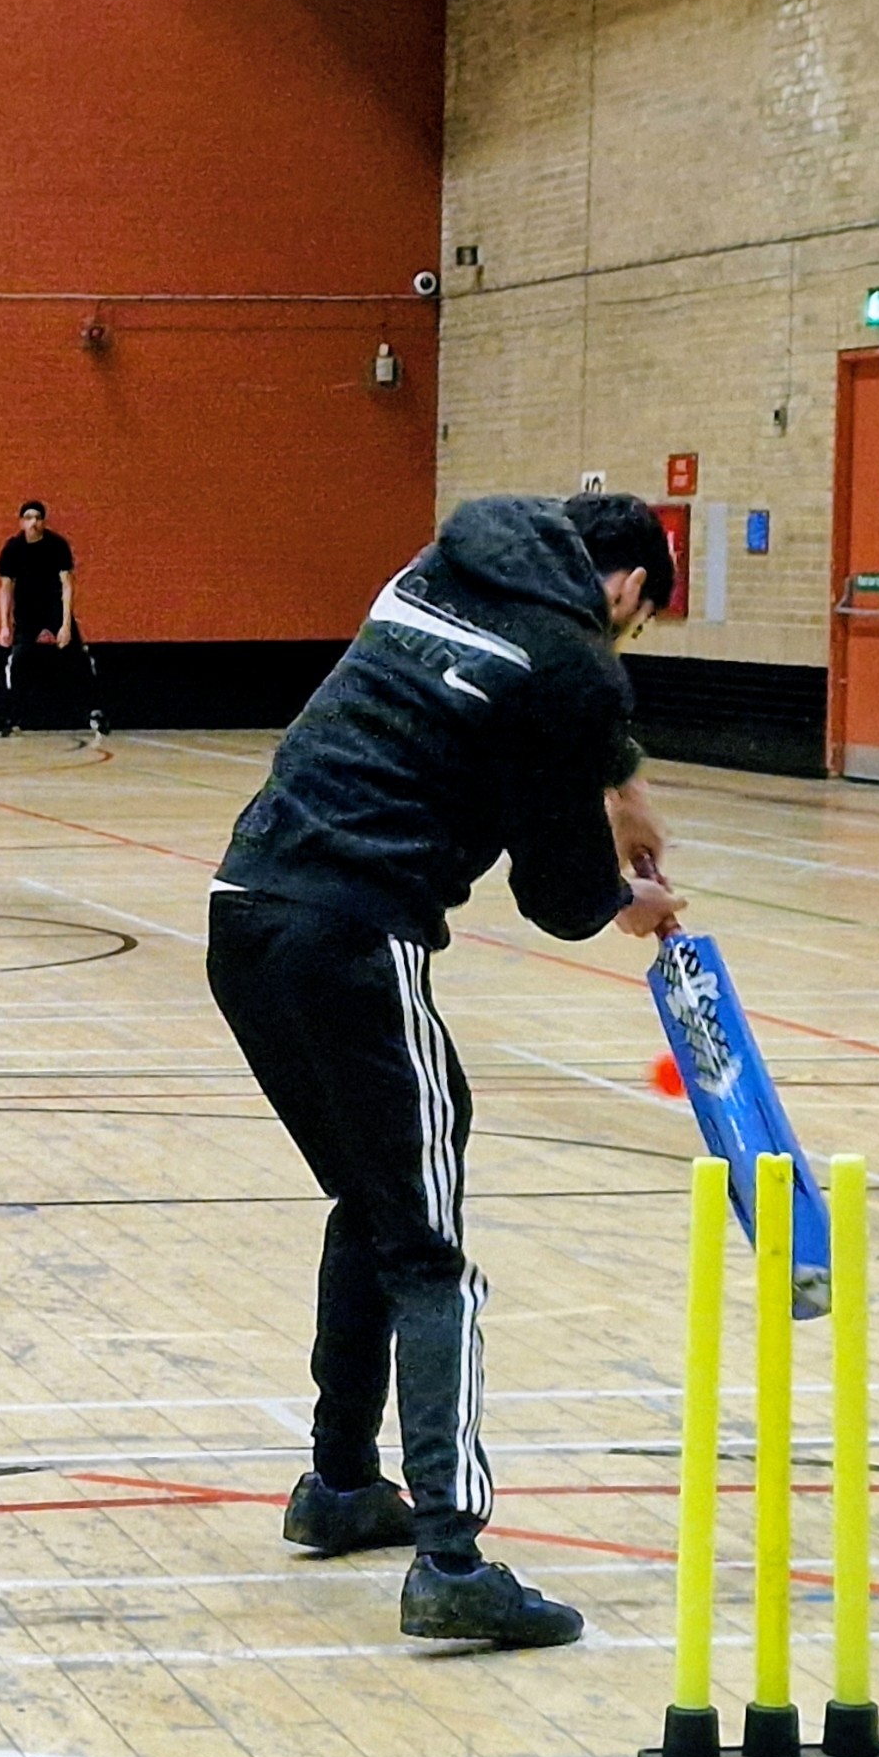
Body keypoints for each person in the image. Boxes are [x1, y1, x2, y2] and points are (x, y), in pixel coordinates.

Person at [207, 492, 680, 1651]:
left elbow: (525, 696)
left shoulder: (445, 563)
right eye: (637, 621)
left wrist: (616, 781)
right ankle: (453, 1557)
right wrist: (631, 898)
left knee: (372, 1197)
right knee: (430, 1253)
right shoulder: (577, 660)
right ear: (625, 588)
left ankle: (336, 1485)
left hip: (243, 911)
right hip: (355, 935)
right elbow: (556, 897)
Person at [0, 500, 101, 740]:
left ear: (43, 521)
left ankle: (94, 712)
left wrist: (65, 625)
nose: (33, 522)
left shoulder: (56, 545)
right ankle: (12, 717)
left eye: (38, 518)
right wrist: (4, 625)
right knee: (18, 660)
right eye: (29, 517)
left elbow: (67, 584)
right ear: (22, 521)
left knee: (78, 657)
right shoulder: (13, 548)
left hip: (54, 609)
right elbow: (5, 588)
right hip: (27, 613)